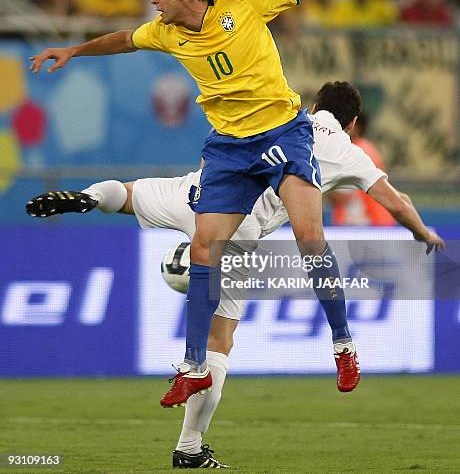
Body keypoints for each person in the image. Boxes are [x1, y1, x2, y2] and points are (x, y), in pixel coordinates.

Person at [29, 0, 347, 408]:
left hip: (282, 130)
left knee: (309, 236)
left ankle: (343, 344)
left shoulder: (244, 4)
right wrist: (74, 51)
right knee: (202, 246)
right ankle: (193, 365)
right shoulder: (166, 32)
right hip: (230, 146)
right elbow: (122, 40)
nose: (152, 0)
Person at [26, 81, 445, 469]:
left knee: (126, 192)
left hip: (196, 194)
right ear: (352, 124)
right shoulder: (350, 153)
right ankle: (189, 446)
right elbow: (396, 200)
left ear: (314, 106)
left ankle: (88, 196)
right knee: (220, 343)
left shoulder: (284, 115)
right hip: (238, 230)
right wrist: (422, 231)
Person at [329, 111, 397, 226]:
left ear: (355, 126)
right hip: (376, 225)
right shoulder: (368, 148)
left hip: (365, 225)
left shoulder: (353, 152)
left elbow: (340, 197)